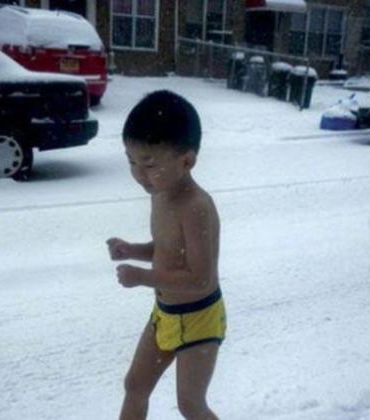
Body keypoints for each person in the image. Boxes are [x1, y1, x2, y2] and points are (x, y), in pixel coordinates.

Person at [107, 90, 226, 420]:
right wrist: (132, 249)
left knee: (190, 403)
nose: (138, 173)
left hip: (199, 318)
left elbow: (200, 278)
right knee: (135, 385)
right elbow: (167, 250)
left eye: (149, 164)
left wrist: (143, 277)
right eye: (131, 161)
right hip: (165, 313)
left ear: (186, 161)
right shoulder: (159, 193)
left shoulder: (196, 207)